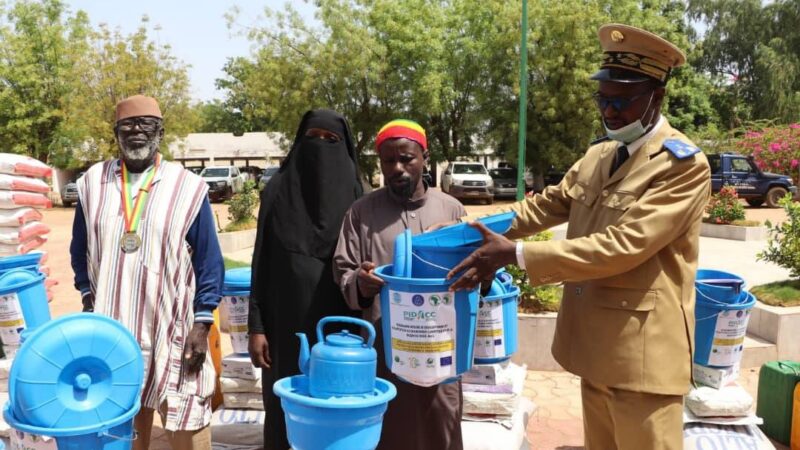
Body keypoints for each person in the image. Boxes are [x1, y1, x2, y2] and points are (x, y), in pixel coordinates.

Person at [447, 24, 711, 449]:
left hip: (644, 359)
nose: (610, 112)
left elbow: (624, 245)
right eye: (603, 99)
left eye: (622, 101)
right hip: (597, 350)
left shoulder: (681, 166)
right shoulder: (599, 154)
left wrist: (516, 254)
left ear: (657, 96)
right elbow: (543, 207)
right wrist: (464, 232)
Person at [70, 95, 223, 450]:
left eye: (146, 124)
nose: (136, 131)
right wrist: (88, 297)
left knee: (186, 423)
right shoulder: (92, 183)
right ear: (116, 133)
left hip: (172, 326)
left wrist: (202, 323)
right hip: (112, 329)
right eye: (127, 125)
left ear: (161, 132)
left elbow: (209, 260)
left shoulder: (187, 187)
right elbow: (80, 249)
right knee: (121, 427)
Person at [333, 119, 466, 450]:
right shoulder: (361, 212)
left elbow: (473, 270)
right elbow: (343, 270)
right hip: (386, 349)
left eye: (406, 159)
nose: (397, 168)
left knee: (442, 424)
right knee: (391, 429)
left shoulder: (451, 209)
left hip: (441, 346)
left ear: (425, 157)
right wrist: (361, 282)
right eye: (388, 161)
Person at [248, 109, 364, 450]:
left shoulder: (358, 196)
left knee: (338, 407)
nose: (320, 147)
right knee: (286, 406)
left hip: (342, 328)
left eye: (331, 140)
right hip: (284, 326)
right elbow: (261, 262)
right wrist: (256, 327)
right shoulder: (276, 192)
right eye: (313, 138)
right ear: (299, 142)